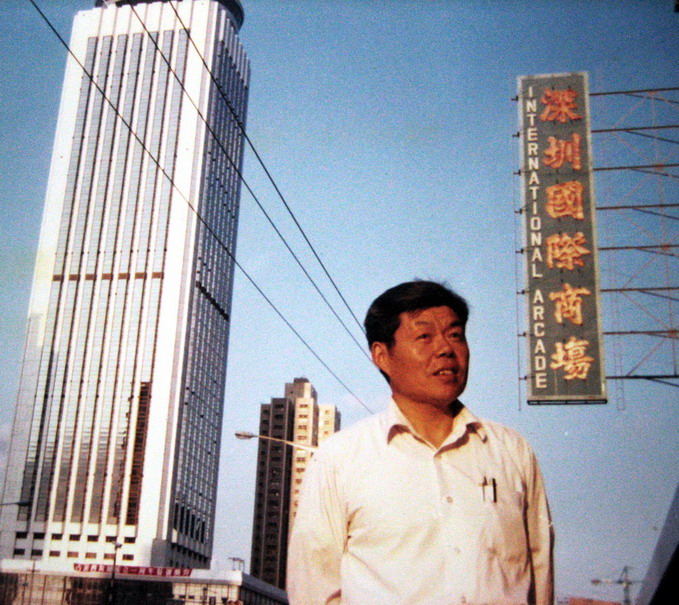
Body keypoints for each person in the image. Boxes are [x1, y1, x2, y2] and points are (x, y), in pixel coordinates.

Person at [287, 280, 554, 605]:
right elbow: (314, 590)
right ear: (382, 356)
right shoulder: (339, 459)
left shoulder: (512, 452)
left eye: (455, 335)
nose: (445, 349)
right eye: (424, 337)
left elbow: (540, 573)